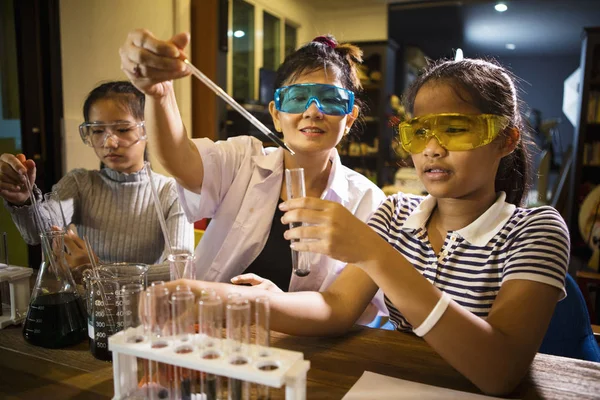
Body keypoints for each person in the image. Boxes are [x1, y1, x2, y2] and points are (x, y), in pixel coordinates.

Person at [168, 58, 570, 395]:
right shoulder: (396, 213)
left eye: (455, 129)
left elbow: (500, 371)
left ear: (506, 139)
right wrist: (223, 298)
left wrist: (374, 253)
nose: (433, 148)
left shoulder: (537, 229)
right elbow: (337, 307)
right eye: (420, 131)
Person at [119, 31, 387, 322]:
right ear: (275, 114)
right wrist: (159, 93)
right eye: (297, 98)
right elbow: (178, 158)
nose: (313, 111)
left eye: (330, 101)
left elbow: (344, 306)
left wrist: (266, 301)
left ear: (349, 118)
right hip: (214, 334)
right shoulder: (242, 160)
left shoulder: (368, 201)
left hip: (314, 354)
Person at [0, 81, 194, 279]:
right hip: (90, 303)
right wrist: (24, 200)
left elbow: (182, 269)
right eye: (98, 131)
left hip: (145, 304)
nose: (109, 143)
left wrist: (100, 271)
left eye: (123, 130)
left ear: (147, 129)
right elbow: (37, 233)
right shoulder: (80, 184)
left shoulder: (172, 192)